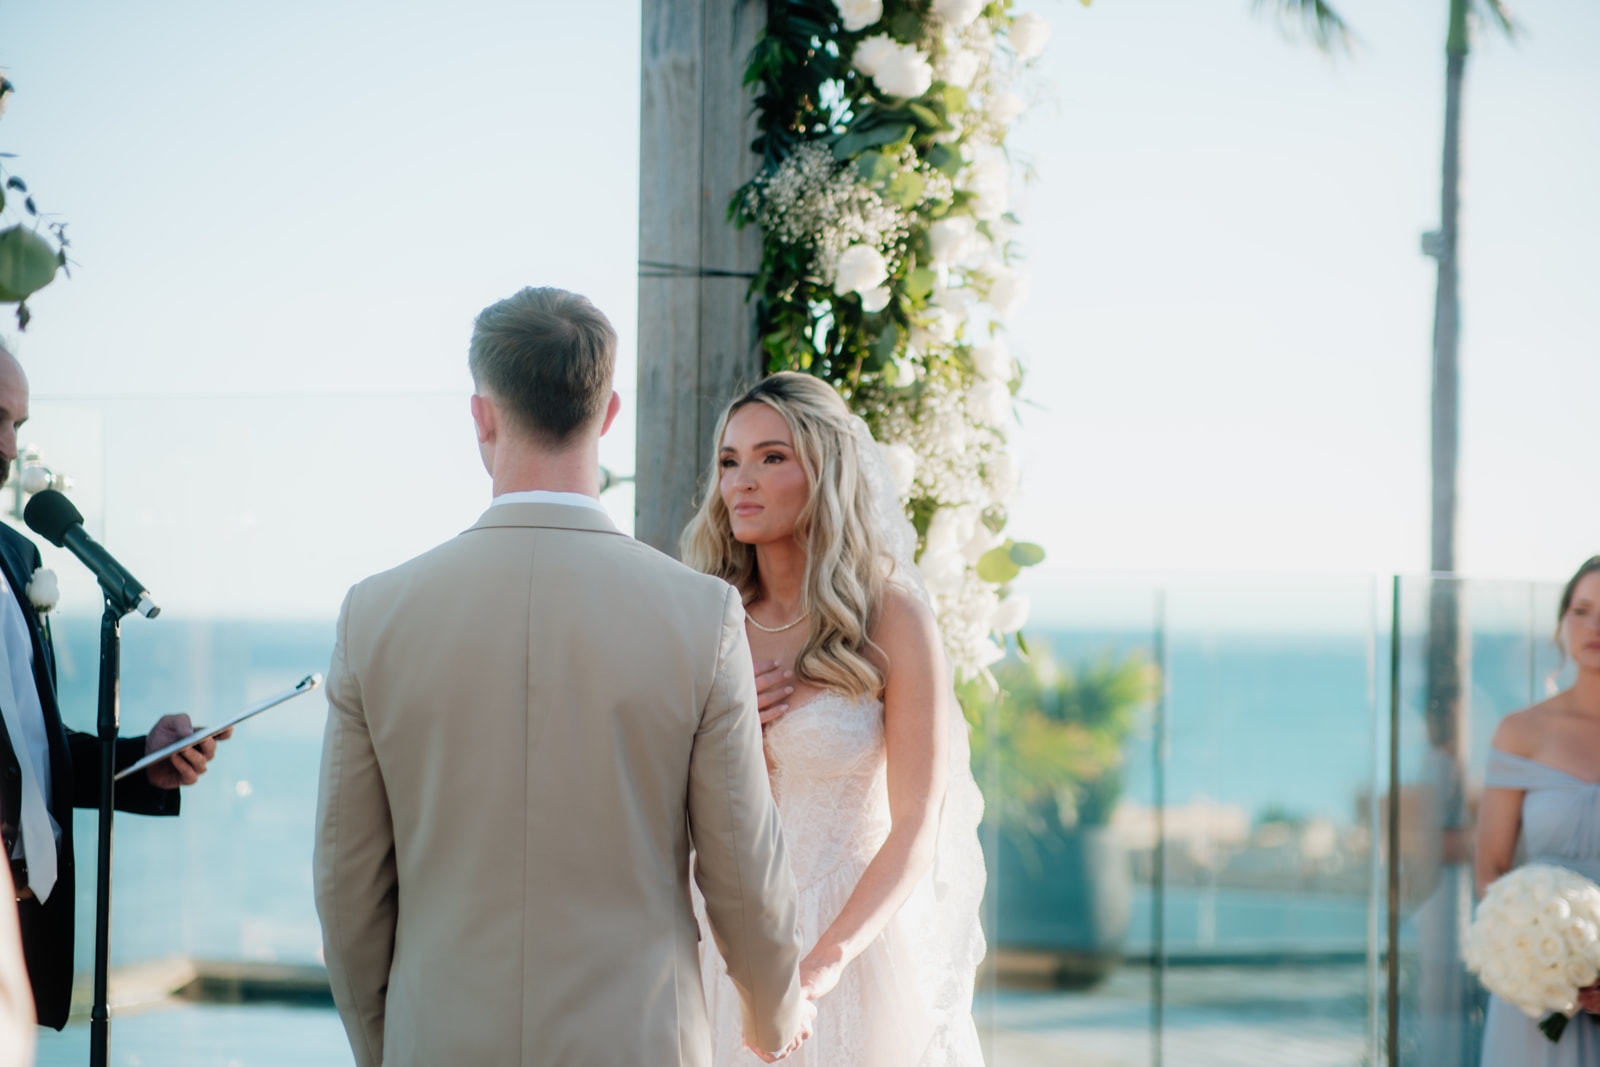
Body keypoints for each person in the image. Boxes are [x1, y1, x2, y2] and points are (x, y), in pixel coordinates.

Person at [313, 287, 814, 1067]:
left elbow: (347, 889)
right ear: (609, 412)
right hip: (637, 1041)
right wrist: (774, 1014)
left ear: (482, 415)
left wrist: (386, 1045)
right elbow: (744, 874)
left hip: (438, 1040)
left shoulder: (375, 613)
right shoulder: (701, 614)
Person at [682, 372, 988, 1066]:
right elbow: (674, 807)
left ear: (824, 470)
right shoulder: (708, 617)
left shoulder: (892, 616)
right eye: (729, 461)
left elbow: (917, 824)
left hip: (849, 950)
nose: (742, 481)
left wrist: (824, 965)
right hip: (724, 942)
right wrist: (736, 739)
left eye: (771, 457)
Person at [0, 343, 228, 1030]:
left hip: (16, 923)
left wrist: (140, 761)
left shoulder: (17, 554)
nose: (9, 447)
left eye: (19, 424)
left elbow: (31, 749)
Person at [1476, 555, 1600, 1065]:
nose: (1594, 625)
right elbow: (1490, 869)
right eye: (1581, 610)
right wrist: (1547, 965)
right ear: (1561, 625)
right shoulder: (1520, 732)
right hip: (1540, 1003)